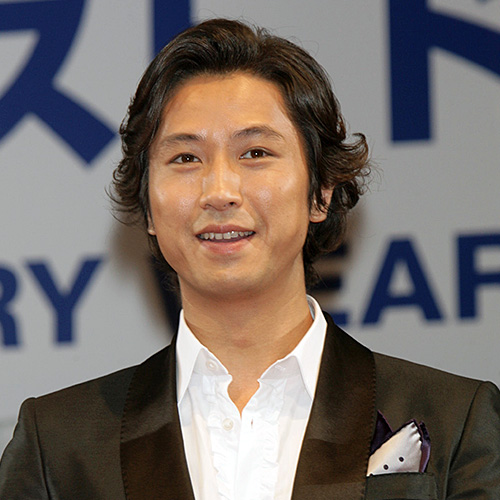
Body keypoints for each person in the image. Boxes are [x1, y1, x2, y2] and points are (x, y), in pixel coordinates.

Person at [1, 18, 499, 500]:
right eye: (185, 158)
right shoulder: (58, 445)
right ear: (148, 205)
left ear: (321, 192)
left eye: (255, 153)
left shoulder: (457, 420)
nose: (219, 191)